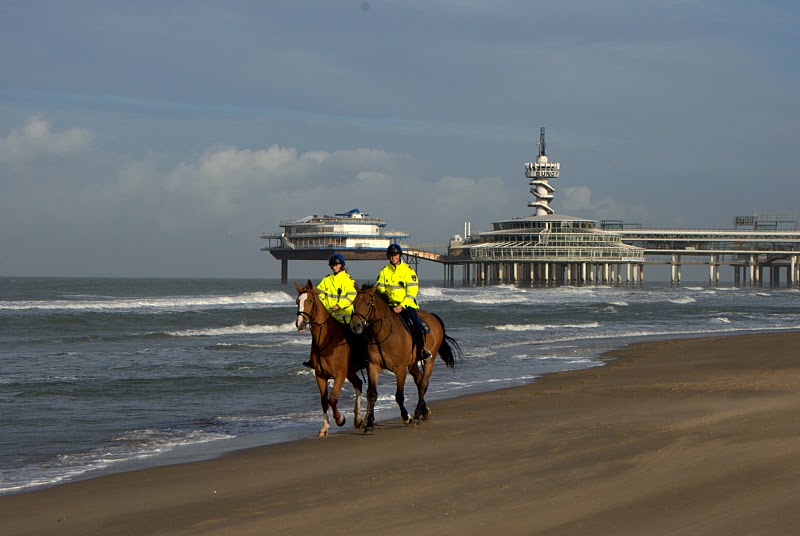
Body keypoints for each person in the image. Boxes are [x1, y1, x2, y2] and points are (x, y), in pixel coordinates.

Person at [303, 254, 362, 368]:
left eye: (336, 265)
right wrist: (326, 307)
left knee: (354, 339)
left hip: (344, 318)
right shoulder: (327, 280)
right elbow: (319, 296)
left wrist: (339, 305)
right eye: (332, 265)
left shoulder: (348, 280)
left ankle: (359, 359)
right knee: (316, 335)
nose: (334, 267)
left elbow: (352, 296)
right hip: (329, 317)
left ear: (341, 265)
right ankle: (313, 359)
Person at [376, 243, 432, 362]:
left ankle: (422, 350)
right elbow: (380, 289)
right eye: (391, 255)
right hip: (389, 305)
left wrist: (401, 306)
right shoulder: (384, 271)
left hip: (406, 305)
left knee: (416, 324)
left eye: (395, 255)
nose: (393, 257)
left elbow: (412, 292)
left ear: (399, 255)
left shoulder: (408, 271)